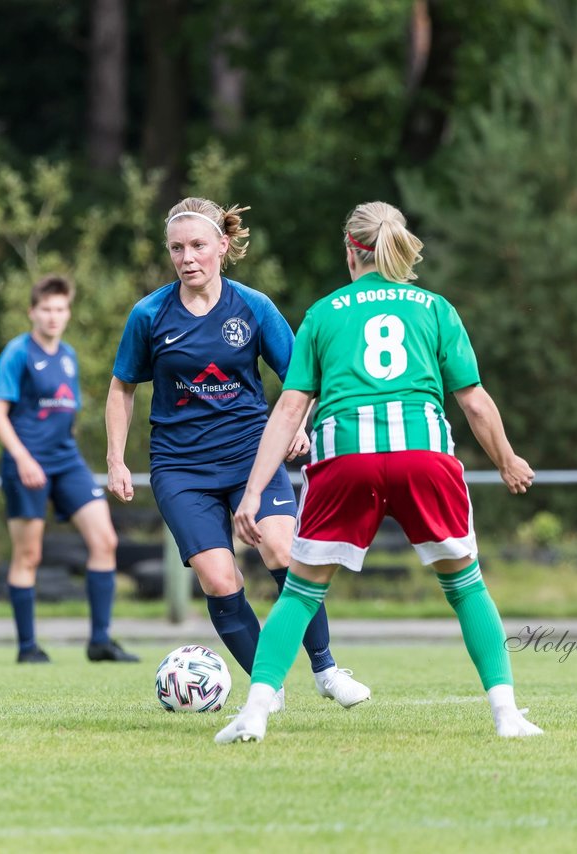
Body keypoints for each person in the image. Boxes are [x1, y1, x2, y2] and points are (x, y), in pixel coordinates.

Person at [216, 201, 542, 744]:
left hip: (347, 459)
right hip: (423, 456)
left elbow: (291, 409)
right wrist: (508, 459)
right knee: (465, 587)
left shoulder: (323, 313)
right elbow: (476, 402)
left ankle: (253, 713)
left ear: (350, 248)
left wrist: (252, 493)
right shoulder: (434, 308)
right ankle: (507, 715)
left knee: (300, 594)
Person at [106, 197, 368, 710]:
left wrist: (302, 424)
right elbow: (121, 388)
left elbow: (301, 376)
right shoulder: (149, 314)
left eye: (199, 246)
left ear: (223, 247)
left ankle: (327, 669)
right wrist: (116, 458)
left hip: (254, 453)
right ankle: (267, 687)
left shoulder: (253, 306)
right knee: (219, 576)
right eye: (177, 248)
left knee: (283, 551)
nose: (188, 257)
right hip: (181, 467)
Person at [0, 274, 137, 664]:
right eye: (46, 309)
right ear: (32, 312)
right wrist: (22, 458)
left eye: (60, 309)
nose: (54, 316)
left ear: (68, 312)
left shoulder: (69, 355)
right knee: (29, 555)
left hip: (66, 460)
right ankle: (27, 648)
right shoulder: (17, 353)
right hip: (27, 463)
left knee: (105, 540)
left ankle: (101, 641)